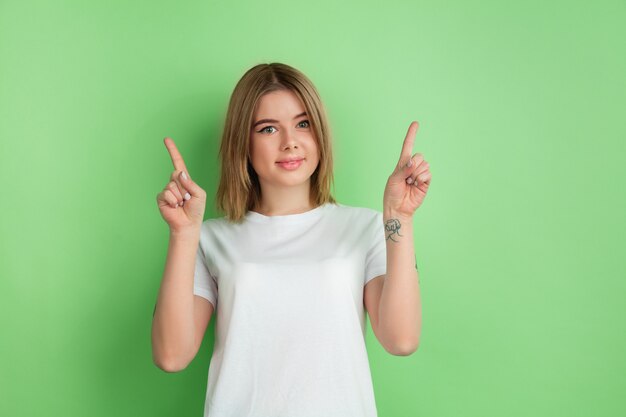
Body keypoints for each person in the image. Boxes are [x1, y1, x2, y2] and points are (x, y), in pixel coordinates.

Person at [151, 62, 430, 417]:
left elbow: (401, 339)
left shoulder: (366, 227)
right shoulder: (209, 238)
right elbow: (171, 355)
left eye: (303, 123)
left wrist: (399, 218)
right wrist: (182, 234)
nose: (290, 142)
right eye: (268, 129)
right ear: (244, 142)